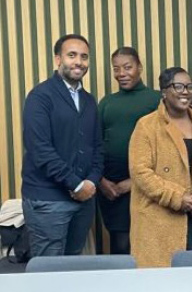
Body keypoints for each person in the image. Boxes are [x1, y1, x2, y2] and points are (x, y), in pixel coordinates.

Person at [128, 67, 192, 267]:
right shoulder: (146, 126)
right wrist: (177, 198)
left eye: (190, 86)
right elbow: (140, 171)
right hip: (159, 223)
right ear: (164, 91)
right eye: (178, 86)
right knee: (160, 286)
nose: (185, 91)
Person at [21, 34, 103, 257]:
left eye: (84, 57)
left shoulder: (88, 100)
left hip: (84, 200)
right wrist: (76, 185)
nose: (79, 62)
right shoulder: (40, 97)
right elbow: (41, 150)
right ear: (58, 59)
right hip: (48, 200)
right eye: (72, 55)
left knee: (73, 268)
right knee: (49, 273)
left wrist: (91, 183)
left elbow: (97, 147)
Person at [97, 47, 160, 254]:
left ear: (139, 68)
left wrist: (135, 183)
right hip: (111, 187)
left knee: (149, 243)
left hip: (147, 183)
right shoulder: (106, 102)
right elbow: (94, 143)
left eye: (127, 67)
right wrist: (101, 181)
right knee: (120, 244)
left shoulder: (156, 100)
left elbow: (166, 148)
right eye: (116, 69)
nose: (121, 74)